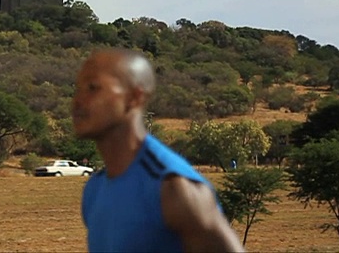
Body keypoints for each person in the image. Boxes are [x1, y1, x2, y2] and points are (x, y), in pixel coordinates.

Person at [72, 48, 245, 253]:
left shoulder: (173, 187)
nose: (78, 101)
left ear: (134, 97)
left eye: (93, 88)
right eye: (77, 89)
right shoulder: (94, 189)